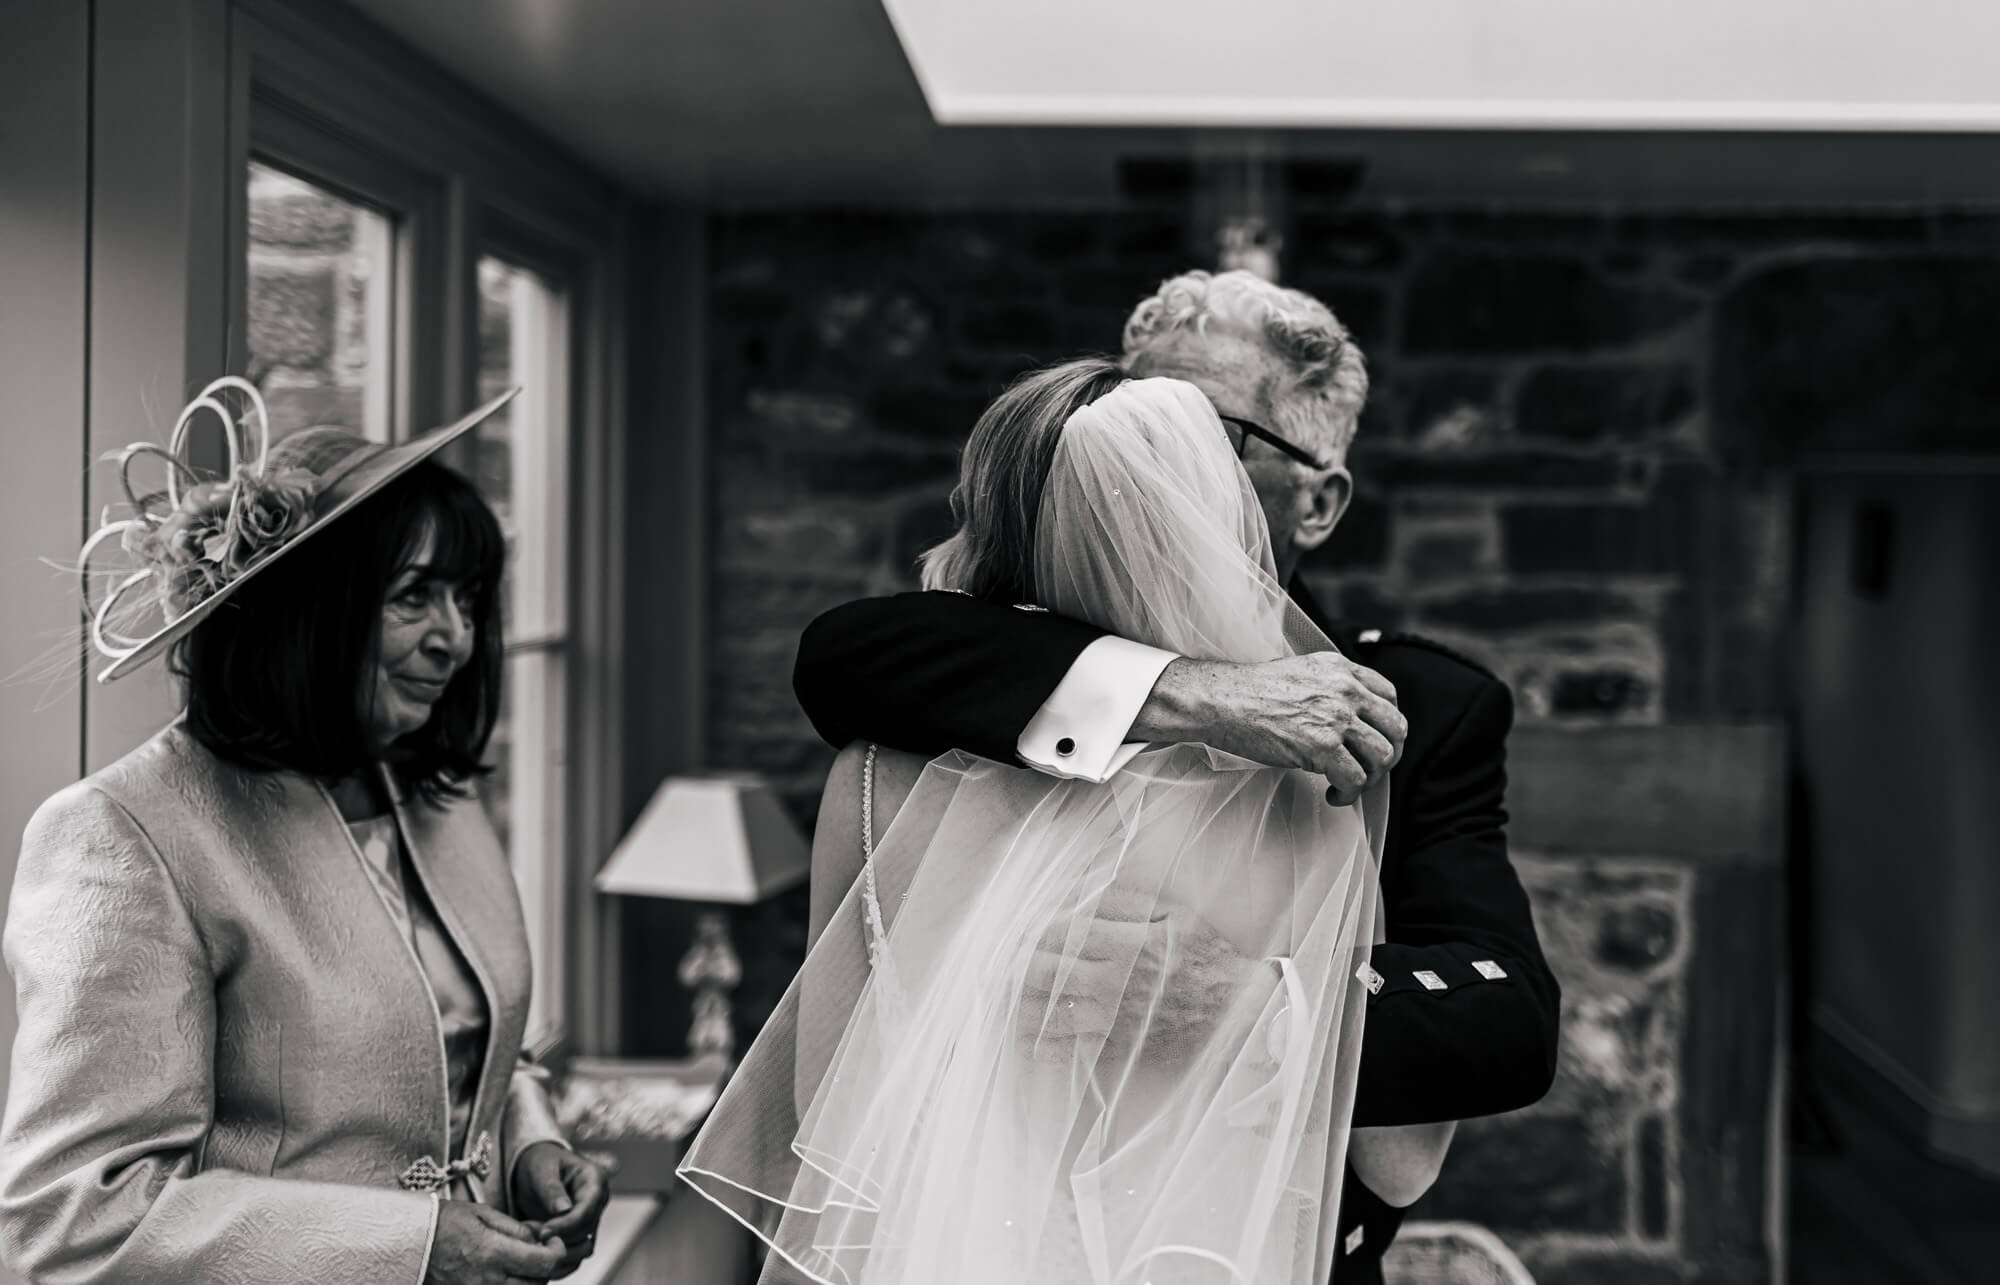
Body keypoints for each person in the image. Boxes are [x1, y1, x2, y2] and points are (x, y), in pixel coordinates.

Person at [792, 271, 1561, 1282]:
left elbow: (1503, 1024)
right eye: (1126, 421)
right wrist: (1196, 695)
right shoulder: (956, 678)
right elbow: (843, 653)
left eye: (1204, 436)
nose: (1144, 466)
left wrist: (1240, 1005)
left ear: (1317, 500)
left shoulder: (1401, 708)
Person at [686, 363, 1420, 1283]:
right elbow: (1387, 1159)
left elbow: (823, 1108)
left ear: (987, 521)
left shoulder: (875, 775)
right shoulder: (1304, 791)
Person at [0, 379, 610, 1284]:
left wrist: (528, 1141)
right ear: (308, 608)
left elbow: (459, 1044)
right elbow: (71, 1217)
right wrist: (410, 1247)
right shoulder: (121, 834)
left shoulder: (435, 800)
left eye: (470, 600)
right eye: (416, 596)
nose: (459, 639)